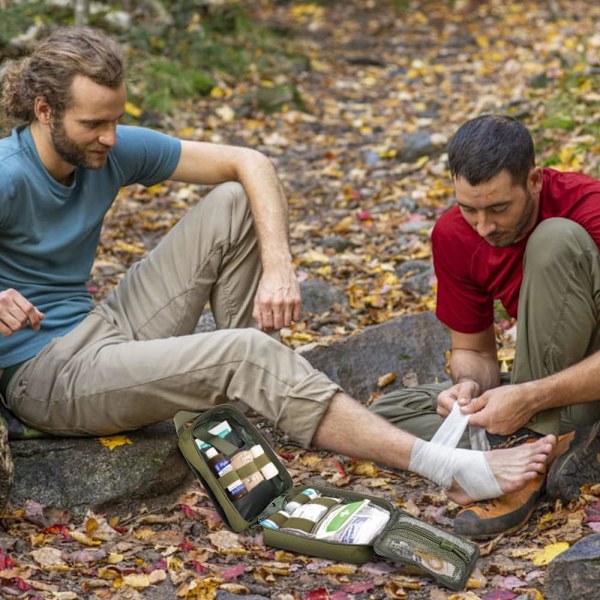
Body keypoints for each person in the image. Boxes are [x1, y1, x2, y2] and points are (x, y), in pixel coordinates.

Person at [0, 27, 555, 509]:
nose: (111, 138)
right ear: (45, 112)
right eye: (95, 123)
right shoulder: (9, 174)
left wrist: (279, 269)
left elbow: (250, 162)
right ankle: (445, 465)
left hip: (103, 331)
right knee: (247, 350)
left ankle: (249, 389)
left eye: (117, 121)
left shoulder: (108, 149)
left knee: (234, 201)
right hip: (45, 375)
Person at [370, 114, 600, 538]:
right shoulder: (455, 235)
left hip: (581, 379)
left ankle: (527, 460)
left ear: (533, 180)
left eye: (498, 208)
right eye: (469, 208)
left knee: (554, 239)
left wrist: (531, 397)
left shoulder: (588, 207)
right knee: (387, 415)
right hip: (554, 384)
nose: (483, 226)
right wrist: (470, 389)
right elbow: (474, 351)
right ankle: (557, 443)